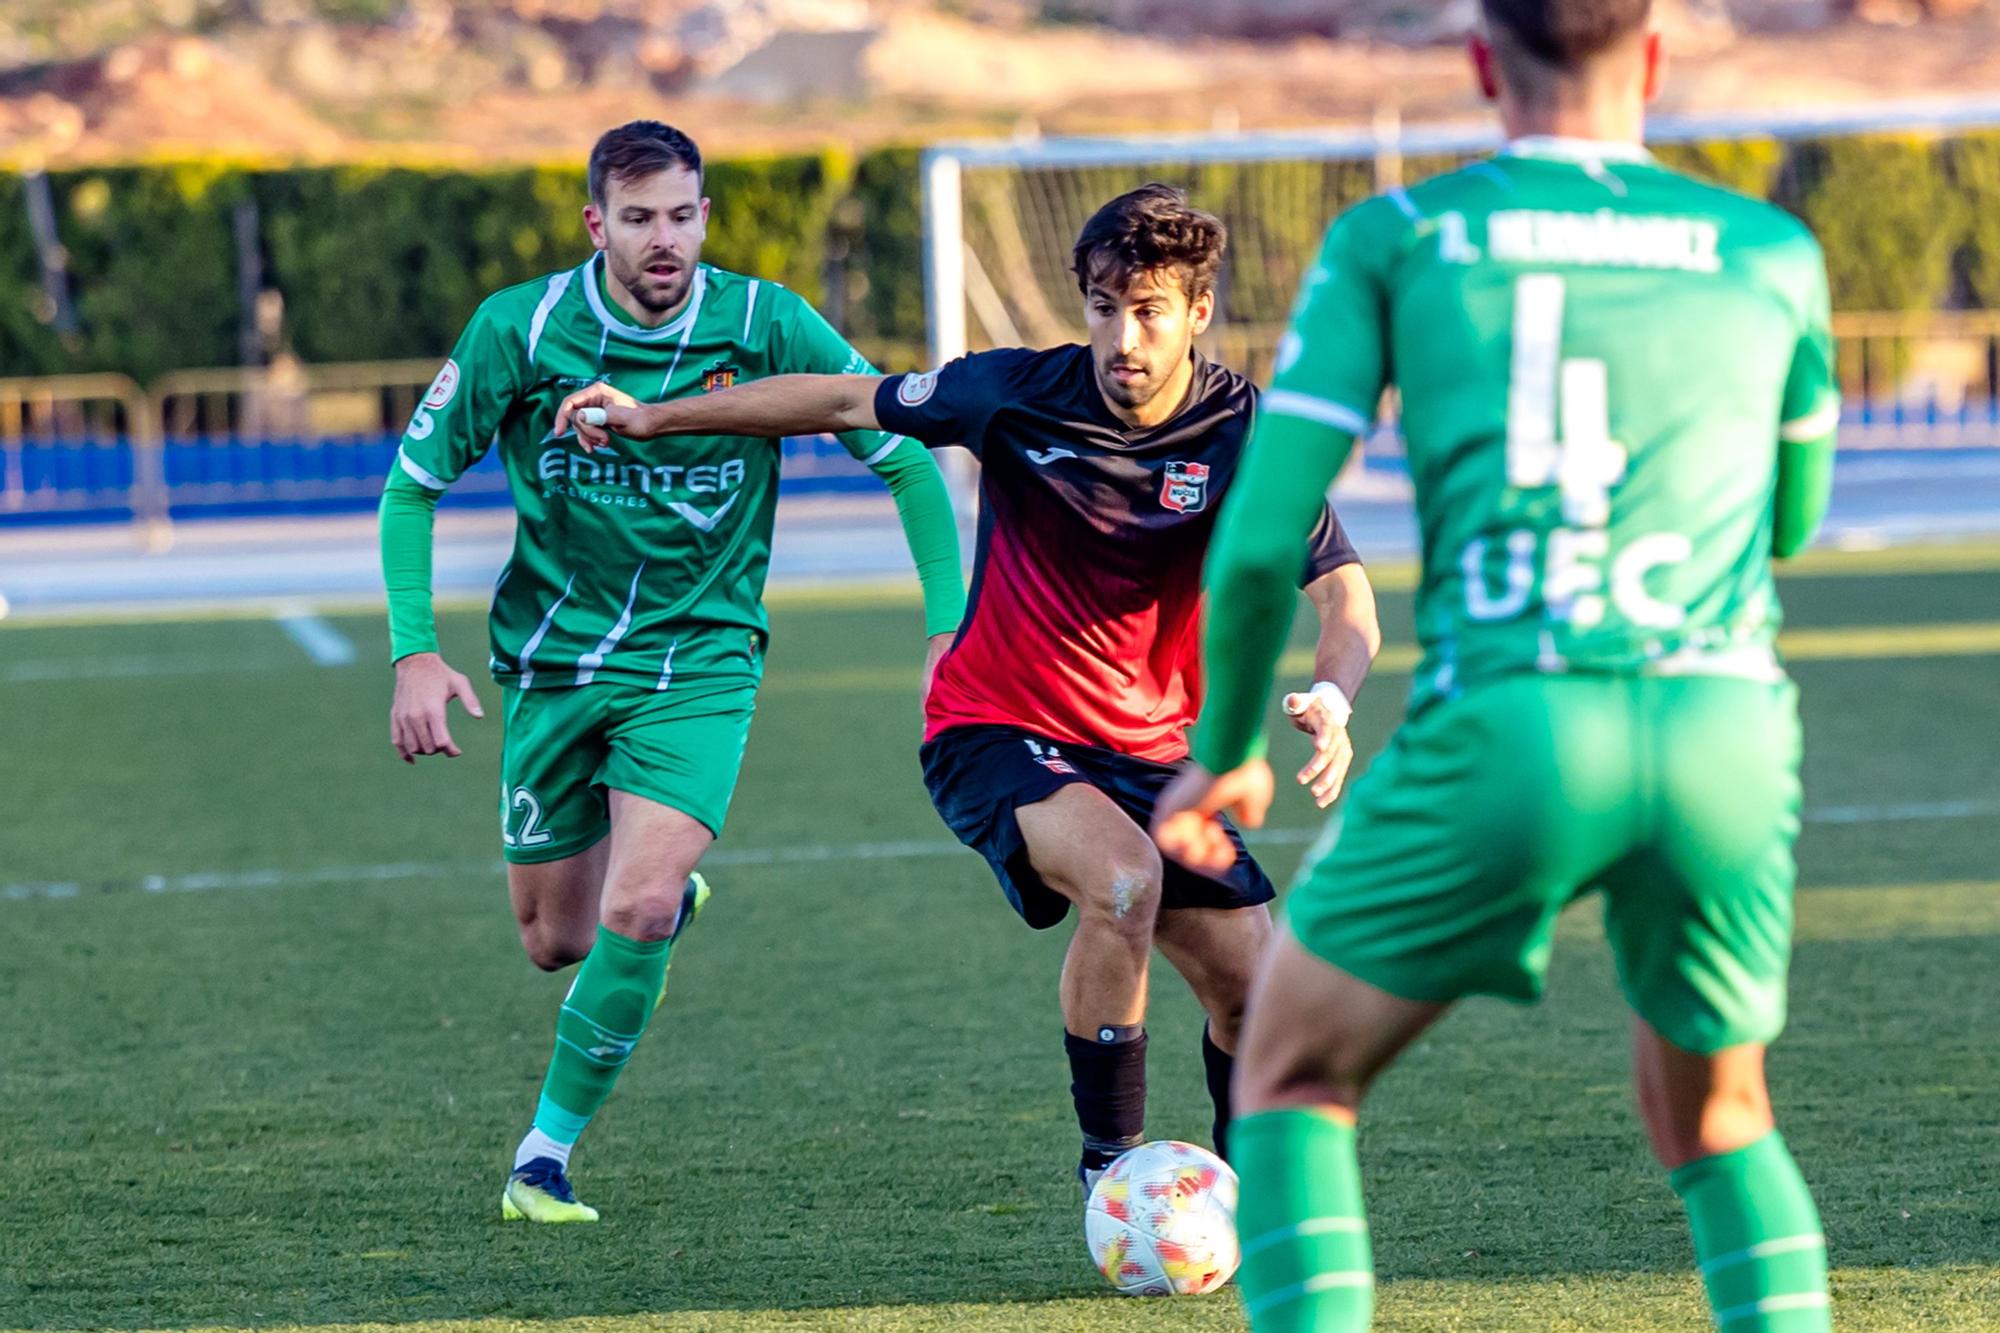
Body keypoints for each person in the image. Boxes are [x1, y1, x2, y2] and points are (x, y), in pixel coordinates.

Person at [1151, 2, 1839, 1329]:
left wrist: (1228, 746)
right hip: (1725, 727)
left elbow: (1251, 550)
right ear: (1650, 59)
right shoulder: (1772, 248)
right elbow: (1791, 522)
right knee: (1718, 1114)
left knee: (1289, 1073)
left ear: (1480, 65)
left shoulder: (1399, 240)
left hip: (1520, 718)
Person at [553, 183, 1380, 1196]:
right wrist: (652, 417)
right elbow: (838, 399)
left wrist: (1333, 696)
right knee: (1123, 882)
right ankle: (1108, 1171)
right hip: (996, 727)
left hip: (1156, 755)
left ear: (1198, 313)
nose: (1122, 336)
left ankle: (1256, 1200)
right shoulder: (1010, 393)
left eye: (1150, 310)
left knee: (1255, 993)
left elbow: (1345, 594)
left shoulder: (1245, 433)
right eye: (1103, 305)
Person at [378, 120, 966, 1223]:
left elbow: (904, 456)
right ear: (596, 223)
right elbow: (412, 485)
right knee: (557, 939)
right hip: (553, 664)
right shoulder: (523, 329)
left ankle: (541, 1157)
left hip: (700, 660)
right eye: (639, 218)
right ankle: (654, 908)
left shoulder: (764, 322)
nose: (665, 240)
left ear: (705, 214)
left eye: (682, 215)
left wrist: (949, 622)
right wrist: (415, 648)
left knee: (635, 907)